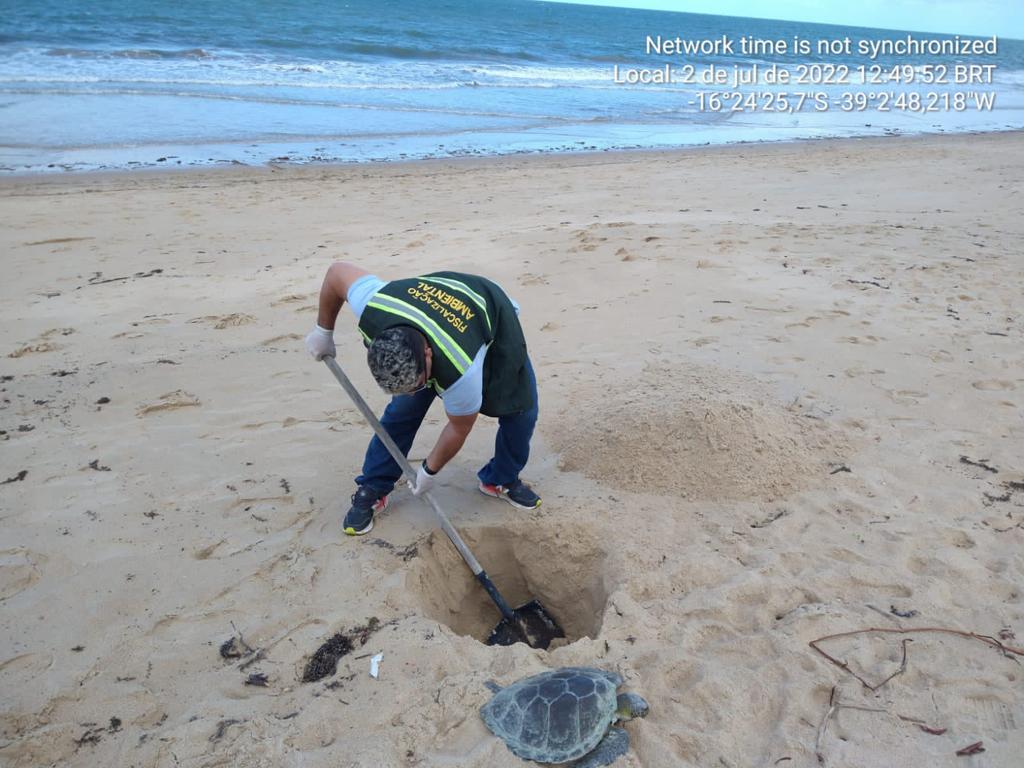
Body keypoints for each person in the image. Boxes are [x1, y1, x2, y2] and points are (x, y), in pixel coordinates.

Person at [305, 262, 541, 536]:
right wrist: (324, 331)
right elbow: (337, 273)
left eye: (416, 384)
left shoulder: (461, 370)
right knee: (401, 412)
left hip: (491, 316)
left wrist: (429, 470)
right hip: (431, 306)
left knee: (521, 412)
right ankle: (374, 485)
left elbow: (460, 427)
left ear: (428, 355)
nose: (412, 391)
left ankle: (501, 479)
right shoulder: (376, 306)